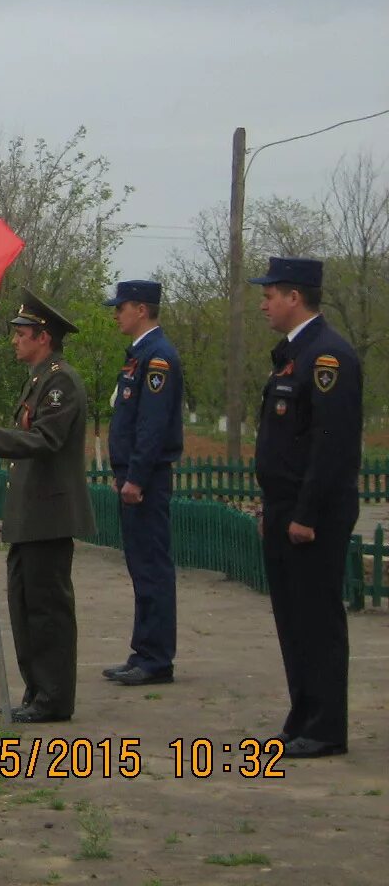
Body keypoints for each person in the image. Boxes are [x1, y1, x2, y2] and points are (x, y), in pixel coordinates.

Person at [0, 290, 94, 723]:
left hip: (48, 515)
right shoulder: (39, 379)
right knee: (26, 606)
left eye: (21, 333)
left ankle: (53, 698)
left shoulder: (61, 381)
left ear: (43, 337)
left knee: (47, 610)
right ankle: (38, 692)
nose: (14, 340)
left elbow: (46, 440)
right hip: (30, 515)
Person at [250, 256, 362, 758]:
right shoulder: (293, 355)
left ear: (295, 297)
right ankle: (303, 716)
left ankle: (325, 727)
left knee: (316, 619)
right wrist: (271, 507)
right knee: (292, 620)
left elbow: (331, 446)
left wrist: (306, 515)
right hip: (284, 508)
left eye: (270, 294)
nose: (264, 302)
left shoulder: (328, 357)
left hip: (311, 514)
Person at [101, 280, 182, 687]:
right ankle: (143, 651)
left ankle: (156, 658)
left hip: (146, 482)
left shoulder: (158, 357)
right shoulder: (138, 356)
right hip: (133, 478)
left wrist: (135, 477)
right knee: (141, 567)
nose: (116, 314)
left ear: (142, 309)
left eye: (122, 307)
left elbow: (152, 425)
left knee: (152, 568)